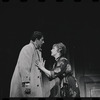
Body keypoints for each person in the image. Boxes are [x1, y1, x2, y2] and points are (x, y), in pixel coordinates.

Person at [10, 31, 45, 97]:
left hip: (33, 88)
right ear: (37, 40)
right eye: (42, 40)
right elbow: (24, 70)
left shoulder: (37, 51)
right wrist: (27, 87)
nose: (43, 42)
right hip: (25, 89)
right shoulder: (27, 48)